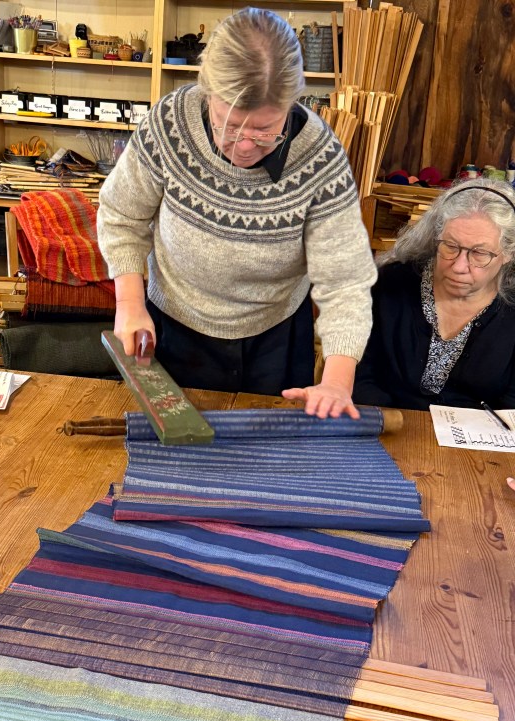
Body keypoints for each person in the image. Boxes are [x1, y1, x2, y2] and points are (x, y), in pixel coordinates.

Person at [96, 8, 376, 419]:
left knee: (266, 467)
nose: (244, 147)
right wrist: (130, 303)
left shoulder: (320, 156)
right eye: (227, 125)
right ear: (206, 92)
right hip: (173, 326)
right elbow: (122, 214)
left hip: (275, 337)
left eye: (265, 129)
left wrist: (337, 380)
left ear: (292, 102)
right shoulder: (171, 122)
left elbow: (345, 280)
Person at [354, 178, 515, 410]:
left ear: (508, 252)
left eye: (479, 253)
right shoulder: (391, 284)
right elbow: (360, 376)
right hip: (389, 425)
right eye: (450, 246)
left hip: (476, 439)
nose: (459, 266)